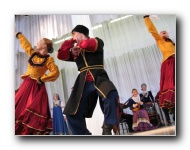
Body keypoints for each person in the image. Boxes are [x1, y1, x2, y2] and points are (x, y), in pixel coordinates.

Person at [57, 25, 119, 135]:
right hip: (83, 82)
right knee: (71, 112)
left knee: (111, 93)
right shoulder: (76, 49)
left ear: (81, 33)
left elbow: (87, 43)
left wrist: (79, 45)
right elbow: (61, 55)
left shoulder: (97, 41)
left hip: (99, 76)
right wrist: (71, 42)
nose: (73, 37)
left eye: (74, 34)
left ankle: (107, 126)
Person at [15, 32, 60, 135]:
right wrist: (19, 35)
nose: (37, 43)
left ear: (44, 45)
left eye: (40, 41)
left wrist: (43, 78)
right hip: (26, 85)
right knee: (19, 107)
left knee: (30, 110)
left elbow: (55, 72)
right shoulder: (33, 55)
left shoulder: (48, 59)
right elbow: (27, 45)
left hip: (36, 87)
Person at [144, 15, 175, 125]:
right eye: (161, 32)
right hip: (168, 64)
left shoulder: (172, 43)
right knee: (170, 87)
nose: (163, 32)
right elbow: (152, 30)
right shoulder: (159, 40)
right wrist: (146, 17)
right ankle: (171, 107)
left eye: (164, 31)